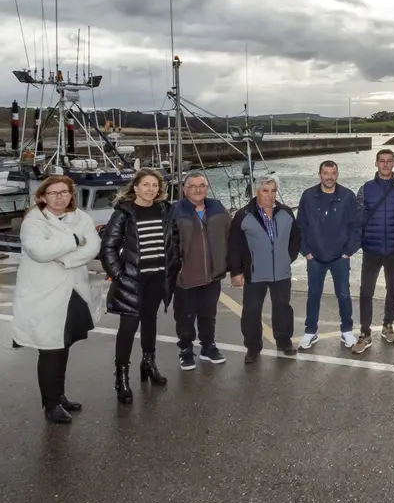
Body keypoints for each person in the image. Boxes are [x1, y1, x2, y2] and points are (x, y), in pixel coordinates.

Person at [13, 175, 101, 424]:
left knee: (63, 346)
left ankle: (59, 395)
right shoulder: (33, 221)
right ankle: (50, 403)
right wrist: (74, 240)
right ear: (42, 196)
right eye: (53, 193)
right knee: (50, 350)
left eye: (64, 192)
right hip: (45, 294)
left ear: (71, 194)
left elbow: (93, 246)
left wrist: (64, 257)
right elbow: (39, 251)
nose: (60, 197)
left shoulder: (81, 217)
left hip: (73, 292)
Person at [101, 169, 181, 405]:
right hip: (132, 281)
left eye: (154, 185)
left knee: (150, 322)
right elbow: (108, 248)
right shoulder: (124, 213)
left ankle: (148, 363)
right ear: (135, 187)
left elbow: (175, 240)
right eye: (146, 184)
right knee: (128, 328)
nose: (150, 189)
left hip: (157, 278)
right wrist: (119, 276)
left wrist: (175, 263)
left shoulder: (165, 210)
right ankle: (121, 376)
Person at [228, 175, 300, 362]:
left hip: (281, 273)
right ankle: (252, 348)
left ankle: (284, 341)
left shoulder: (286, 213)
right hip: (255, 272)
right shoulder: (243, 215)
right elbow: (234, 245)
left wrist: (287, 258)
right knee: (251, 310)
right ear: (256, 192)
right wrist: (236, 271)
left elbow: (295, 239)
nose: (270, 195)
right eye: (265, 191)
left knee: (283, 307)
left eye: (273, 191)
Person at [296, 160, 361, 350]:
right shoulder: (308, 196)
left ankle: (346, 331)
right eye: (326, 173)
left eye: (333, 173)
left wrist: (349, 252)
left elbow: (356, 226)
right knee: (313, 294)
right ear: (320, 175)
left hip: (340, 257)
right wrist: (306, 252)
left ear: (337, 175)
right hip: (315, 257)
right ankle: (310, 331)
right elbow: (300, 226)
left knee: (344, 294)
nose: (329, 177)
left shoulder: (347, 196)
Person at [172, 171, 232, 371]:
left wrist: (232, 266)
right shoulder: (175, 211)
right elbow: (166, 243)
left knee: (208, 314)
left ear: (207, 187)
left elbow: (231, 236)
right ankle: (186, 350)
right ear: (184, 190)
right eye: (192, 186)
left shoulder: (217, 208)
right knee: (185, 317)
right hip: (185, 277)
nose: (198, 190)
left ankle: (208, 346)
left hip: (212, 275)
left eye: (201, 186)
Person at [352, 149, 394, 354]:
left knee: (393, 288)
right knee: (366, 291)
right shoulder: (365, 189)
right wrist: (355, 243)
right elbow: (357, 218)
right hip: (371, 248)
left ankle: (388, 325)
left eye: (389, 161)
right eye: (381, 161)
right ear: (376, 164)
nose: (385, 164)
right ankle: (365, 332)